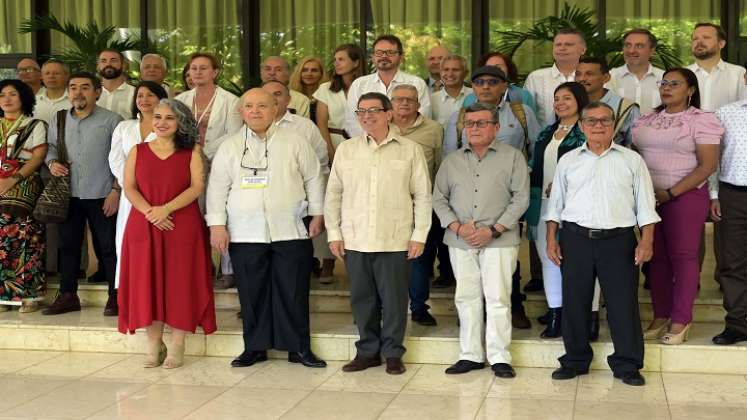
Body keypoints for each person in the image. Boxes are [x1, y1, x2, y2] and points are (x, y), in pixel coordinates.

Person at [207, 88, 326, 369]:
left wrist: (318, 214)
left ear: (276, 109)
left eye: (263, 105)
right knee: (252, 291)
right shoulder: (229, 146)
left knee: (293, 291)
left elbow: (314, 178)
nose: (256, 111)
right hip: (245, 232)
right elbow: (217, 188)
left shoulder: (296, 141)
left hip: (291, 229)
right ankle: (255, 347)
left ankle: (298, 348)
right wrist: (216, 225)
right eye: (249, 106)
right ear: (241, 112)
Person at [546, 101, 660, 386]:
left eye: (604, 121)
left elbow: (646, 205)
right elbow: (555, 206)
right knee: (575, 302)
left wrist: (646, 241)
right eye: (592, 121)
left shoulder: (631, 160)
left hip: (618, 241)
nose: (598, 126)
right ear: (582, 126)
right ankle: (575, 360)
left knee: (623, 304)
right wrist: (551, 239)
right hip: (575, 239)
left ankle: (627, 364)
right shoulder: (568, 160)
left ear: (613, 125)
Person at [326, 92, 431, 375]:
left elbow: (422, 195)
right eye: (362, 111)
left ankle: (393, 353)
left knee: (395, 300)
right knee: (363, 299)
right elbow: (333, 193)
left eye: (374, 110)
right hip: (356, 238)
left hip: (395, 238)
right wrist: (334, 233)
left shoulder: (410, 149)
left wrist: (419, 234)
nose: (367, 116)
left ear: (389, 113)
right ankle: (368, 352)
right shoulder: (347, 150)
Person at [118, 99, 216, 369]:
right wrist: (151, 212)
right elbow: (129, 187)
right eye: (157, 117)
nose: (161, 122)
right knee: (146, 282)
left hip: (181, 223)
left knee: (180, 283)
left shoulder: (192, 151)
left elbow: (197, 187)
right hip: (144, 222)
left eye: (169, 118)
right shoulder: (138, 151)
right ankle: (153, 345)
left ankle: (177, 346)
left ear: (181, 122)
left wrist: (166, 209)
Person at [433, 103, 529, 378]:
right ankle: (471, 355)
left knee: (498, 297)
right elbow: (438, 198)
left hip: (499, 240)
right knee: (466, 297)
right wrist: (458, 227)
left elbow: (521, 197)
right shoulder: (452, 161)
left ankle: (499, 357)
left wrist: (494, 229)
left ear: (496, 127)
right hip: (460, 240)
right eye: (470, 123)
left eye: (481, 123)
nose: (474, 128)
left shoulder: (512, 157)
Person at [444, 66, 540, 329]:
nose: (485, 86)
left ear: (504, 85)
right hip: (466, 202)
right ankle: (472, 323)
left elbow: (536, 146)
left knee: (506, 264)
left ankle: (515, 306)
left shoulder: (521, 112)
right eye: (479, 82)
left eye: (492, 82)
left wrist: (523, 172)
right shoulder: (459, 116)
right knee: (468, 280)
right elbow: (450, 155)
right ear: (473, 87)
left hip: (506, 197)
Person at [633, 68, 722, 345]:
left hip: (685, 196)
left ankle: (682, 319)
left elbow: (707, 165)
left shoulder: (701, 120)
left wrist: (670, 193)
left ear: (690, 90)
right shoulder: (648, 118)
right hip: (649, 198)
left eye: (675, 84)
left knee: (683, 256)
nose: (667, 88)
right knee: (656, 257)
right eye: (664, 83)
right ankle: (661, 316)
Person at [42, 72, 123, 316]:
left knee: (108, 247)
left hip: (103, 194)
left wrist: (116, 190)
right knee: (68, 247)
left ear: (97, 92)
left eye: (85, 87)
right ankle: (68, 295)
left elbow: (124, 158)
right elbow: (51, 148)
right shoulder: (59, 119)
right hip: (69, 194)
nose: (78, 92)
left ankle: (116, 296)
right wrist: (52, 162)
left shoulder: (113, 120)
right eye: (74, 87)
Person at [526, 82, 602, 339]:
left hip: (576, 208)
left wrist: (561, 188)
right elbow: (534, 166)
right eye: (556, 98)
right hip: (543, 208)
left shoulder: (587, 133)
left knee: (583, 266)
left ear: (579, 100)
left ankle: (589, 319)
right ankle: (556, 315)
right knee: (549, 261)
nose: (560, 103)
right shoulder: (546, 133)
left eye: (567, 98)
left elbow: (595, 170)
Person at [176, 52, 242, 289]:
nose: (197, 72)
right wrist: (193, 153)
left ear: (215, 72)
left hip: (220, 164)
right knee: (193, 216)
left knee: (222, 215)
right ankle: (202, 265)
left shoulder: (231, 101)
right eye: (193, 68)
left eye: (203, 68)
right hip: (188, 165)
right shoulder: (181, 99)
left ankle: (229, 269)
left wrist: (204, 151)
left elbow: (234, 134)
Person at [262, 80, 333, 284]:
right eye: (267, 95)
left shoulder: (304, 127)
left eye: (278, 94)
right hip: (259, 208)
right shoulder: (248, 127)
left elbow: (319, 164)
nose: (273, 99)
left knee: (292, 265)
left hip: (295, 204)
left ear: (288, 99)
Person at [389, 84, 444, 326]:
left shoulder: (434, 130)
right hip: (386, 207)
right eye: (399, 99)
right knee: (387, 259)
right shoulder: (382, 128)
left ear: (418, 104)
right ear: (390, 104)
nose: (404, 104)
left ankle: (419, 307)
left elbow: (440, 166)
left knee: (419, 259)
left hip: (422, 205)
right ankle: (386, 306)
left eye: (410, 100)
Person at [109, 81, 168, 291]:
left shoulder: (168, 126)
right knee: (128, 242)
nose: (144, 100)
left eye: (150, 95)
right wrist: (131, 185)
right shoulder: (124, 127)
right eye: (140, 95)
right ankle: (129, 291)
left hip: (161, 195)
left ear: (161, 99)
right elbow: (115, 160)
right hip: (130, 196)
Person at [0, 79, 48, 313]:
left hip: (24, 182)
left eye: (12, 94)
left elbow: (38, 158)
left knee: (26, 238)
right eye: (2, 95)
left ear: (23, 98)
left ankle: (29, 296)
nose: (7, 99)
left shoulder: (35, 124)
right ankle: (4, 296)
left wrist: (12, 179)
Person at [710, 99, 747, 345]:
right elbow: (714, 156)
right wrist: (714, 194)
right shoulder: (726, 113)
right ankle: (737, 323)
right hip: (733, 194)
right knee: (732, 262)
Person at [344, 35, 431, 138]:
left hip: (406, 145)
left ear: (401, 57)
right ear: (373, 57)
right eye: (379, 53)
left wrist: (396, 141)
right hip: (367, 147)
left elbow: (422, 118)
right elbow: (351, 120)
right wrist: (373, 140)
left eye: (390, 52)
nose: (384, 56)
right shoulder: (359, 84)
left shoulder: (416, 83)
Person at [524, 28, 586, 128]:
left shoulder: (593, 78)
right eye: (558, 45)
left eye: (569, 44)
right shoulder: (535, 78)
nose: (562, 48)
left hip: (587, 139)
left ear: (583, 50)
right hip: (545, 140)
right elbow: (527, 115)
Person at [314, 43, 365, 156]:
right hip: (333, 142)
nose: (336, 63)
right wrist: (330, 152)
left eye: (341, 59)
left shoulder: (368, 86)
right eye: (335, 59)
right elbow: (321, 124)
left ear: (356, 63)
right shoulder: (326, 88)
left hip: (362, 142)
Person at [575, 56, 639, 146]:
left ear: (606, 78)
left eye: (589, 74)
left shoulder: (626, 107)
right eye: (578, 74)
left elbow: (635, 147)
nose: (582, 79)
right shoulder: (568, 104)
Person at [687, 23, 747, 112]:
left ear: (721, 44)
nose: (699, 42)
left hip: (727, 126)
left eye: (706, 37)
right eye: (695, 39)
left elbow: (744, 109)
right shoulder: (682, 74)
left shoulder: (739, 73)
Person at [608, 28, 664, 114]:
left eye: (639, 46)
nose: (631, 51)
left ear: (652, 50)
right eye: (627, 45)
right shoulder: (610, 77)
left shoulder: (664, 78)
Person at [463, 52, 536, 114]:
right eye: (489, 67)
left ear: (508, 70)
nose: (492, 71)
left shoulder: (523, 96)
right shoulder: (470, 99)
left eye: (498, 67)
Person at [431, 54, 473, 127]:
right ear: (440, 73)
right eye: (446, 70)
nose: (450, 74)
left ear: (465, 73)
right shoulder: (432, 100)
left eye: (455, 70)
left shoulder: (476, 95)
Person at [97, 49, 136, 120]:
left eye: (113, 60)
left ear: (123, 65)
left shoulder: (135, 93)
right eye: (103, 61)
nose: (108, 64)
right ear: (98, 66)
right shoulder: (92, 93)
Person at [289, 56, 328, 122]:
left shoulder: (327, 95)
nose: (309, 74)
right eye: (304, 70)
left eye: (314, 70)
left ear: (321, 74)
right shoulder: (290, 95)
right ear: (299, 73)